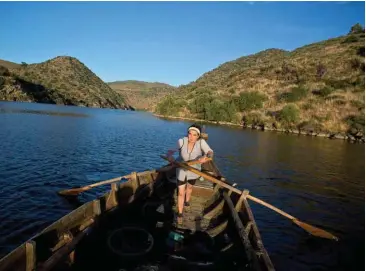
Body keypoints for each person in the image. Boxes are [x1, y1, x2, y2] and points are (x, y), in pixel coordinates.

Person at [167, 124, 214, 224]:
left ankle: (187, 202)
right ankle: (180, 213)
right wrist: (169, 156)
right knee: (180, 192)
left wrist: (206, 157)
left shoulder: (201, 142)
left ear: (198, 136)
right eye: (190, 134)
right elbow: (170, 151)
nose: (191, 137)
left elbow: (210, 152)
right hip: (181, 169)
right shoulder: (181, 141)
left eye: (194, 135)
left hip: (194, 170)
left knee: (189, 188)